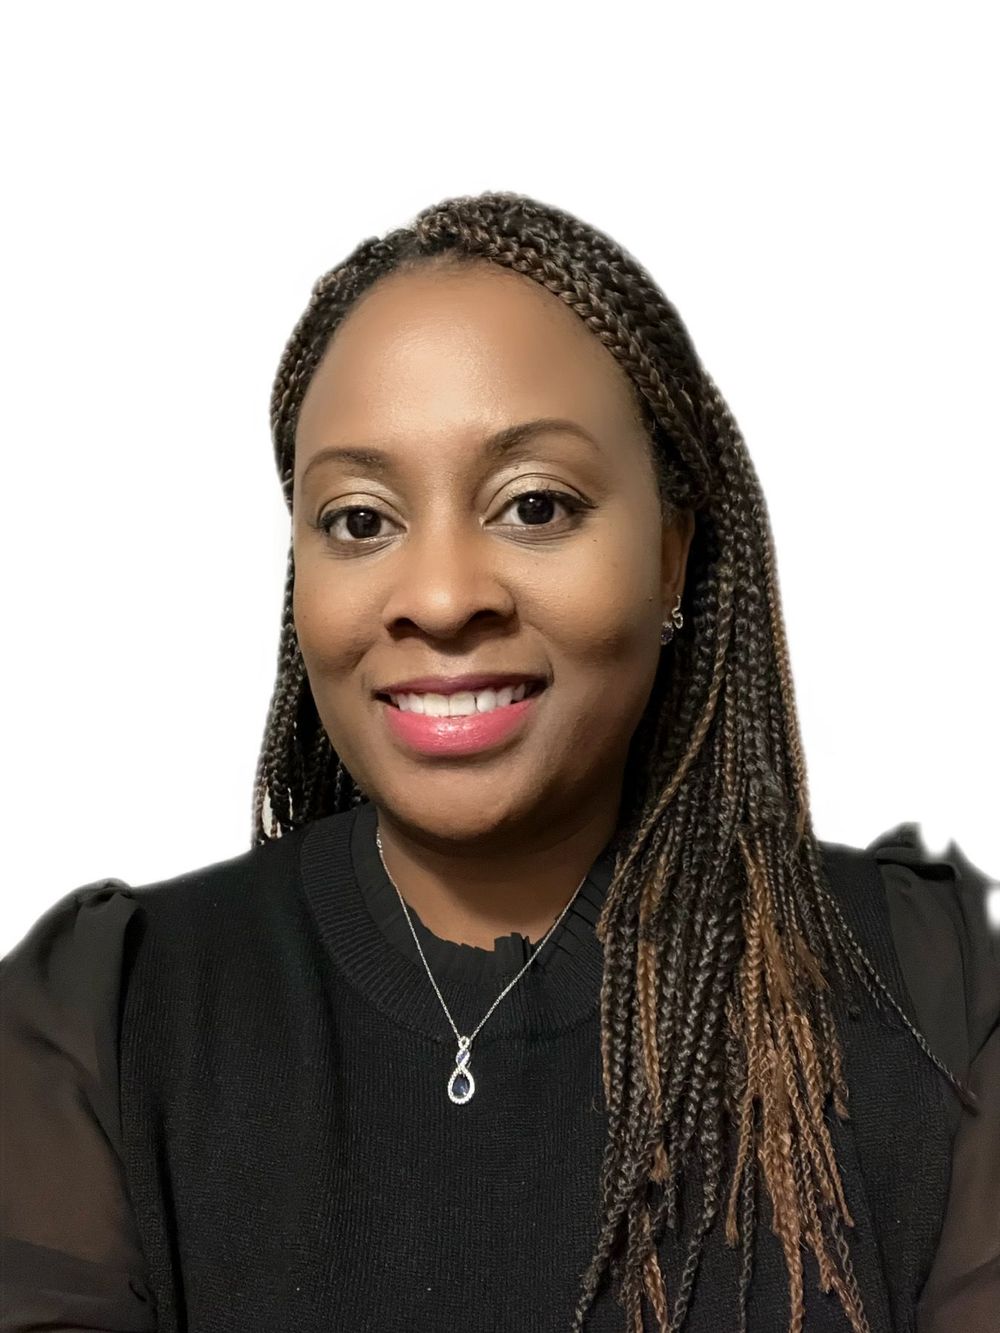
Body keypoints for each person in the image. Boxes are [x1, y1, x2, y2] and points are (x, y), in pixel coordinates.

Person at [1, 193, 997, 1333]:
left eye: (534, 504)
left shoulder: (935, 998)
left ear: (670, 557)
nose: (439, 596)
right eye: (360, 519)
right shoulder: (102, 1023)